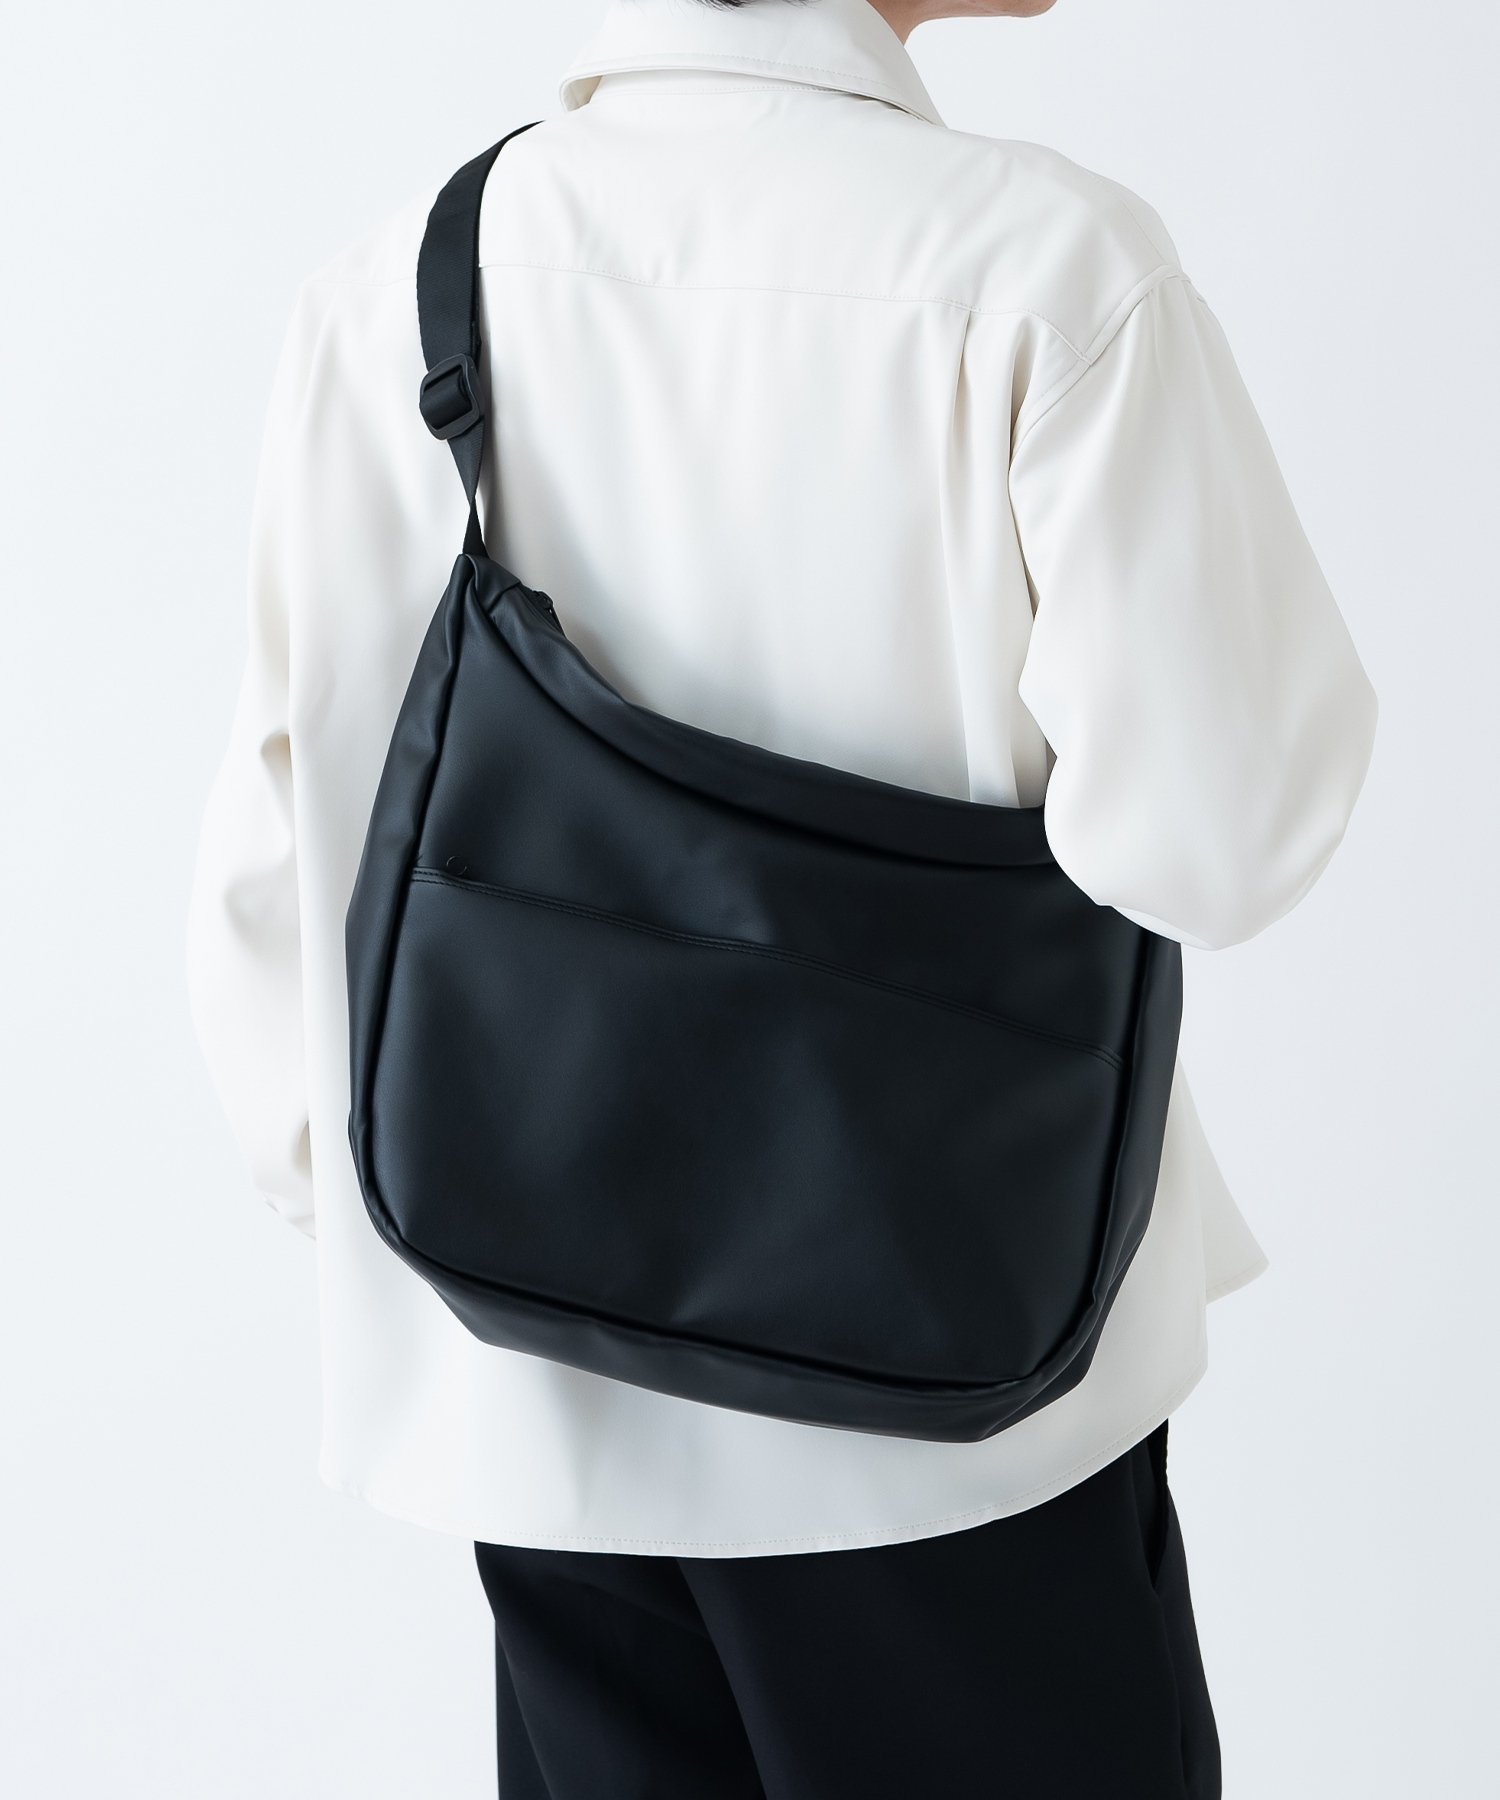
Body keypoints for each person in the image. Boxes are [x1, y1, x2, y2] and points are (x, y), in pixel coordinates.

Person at [185, 0, 1378, 1793]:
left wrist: (406, 1201)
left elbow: (284, 863)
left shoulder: (401, 287)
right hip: (956, 1384)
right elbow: (1222, 832)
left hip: (534, 1384)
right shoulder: (1046, 272)